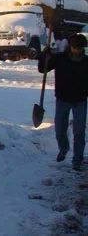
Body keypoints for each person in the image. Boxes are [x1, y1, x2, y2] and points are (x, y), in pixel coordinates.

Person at [39, 33, 88, 171]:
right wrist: (45, 55)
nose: (76, 50)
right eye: (74, 47)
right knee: (60, 130)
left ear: (83, 48)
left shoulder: (86, 62)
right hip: (62, 99)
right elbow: (42, 68)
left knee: (79, 132)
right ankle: (64, 148)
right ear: (70, 47)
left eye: (79, 48)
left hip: (80, 101)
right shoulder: (60, 59)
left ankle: (77, 160)